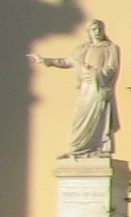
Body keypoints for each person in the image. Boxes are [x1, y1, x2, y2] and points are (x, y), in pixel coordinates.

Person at [33, 18, 118, 156]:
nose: (97, 32)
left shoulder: (110, 48)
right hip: (86, 88)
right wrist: (45, 60)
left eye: (99, 29)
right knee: (80, 119)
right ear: (89, 32)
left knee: (98, 119)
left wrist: (94, 73)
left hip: (99, 88)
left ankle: (99, 148)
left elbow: (112, 69)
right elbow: (67, 61)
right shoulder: (83, 49)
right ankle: (77, 149)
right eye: (94, 29)